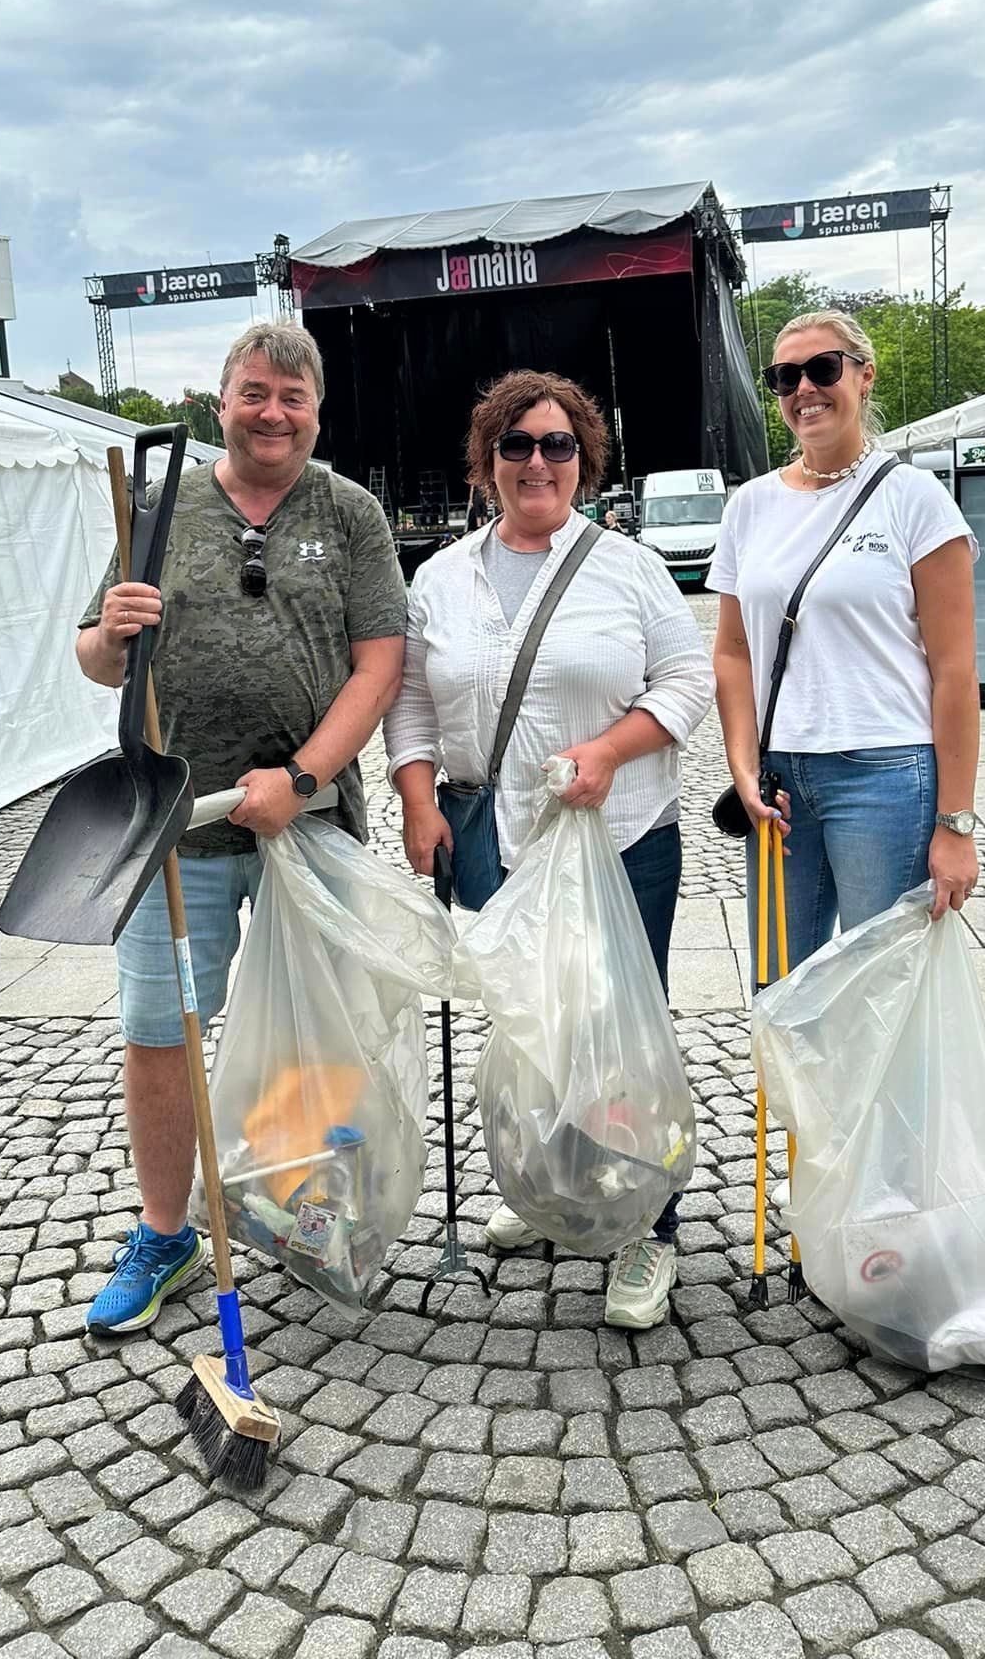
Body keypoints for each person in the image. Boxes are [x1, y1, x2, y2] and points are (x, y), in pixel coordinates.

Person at [76, 321, 406, 1335]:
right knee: (161, 1029)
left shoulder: (350, 513)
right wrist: (110, 632)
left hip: (307, 820)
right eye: (254, 392)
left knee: (320, 1022)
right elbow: (94, 660)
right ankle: (167, 1231)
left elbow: (379, 664)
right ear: (220, 400)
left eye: (292, 397)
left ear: (316, 411)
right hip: (175, 820)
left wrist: (304, 778)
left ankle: (307, 1201)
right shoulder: (156, 507)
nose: (272, 412)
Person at [384, 369, 713, 1329]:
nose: (538, 461)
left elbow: (688, 678)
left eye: (557, 444)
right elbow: (408, 701)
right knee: (534, 1023)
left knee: (620, 1031)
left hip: (619, 838)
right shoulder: (440, 578)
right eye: (517, 445)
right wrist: (415, 800)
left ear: (584, 460)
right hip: (492, 838)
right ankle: (558, 1191)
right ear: (487, 462)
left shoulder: (628, 567)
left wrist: (611, 749)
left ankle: (647, 1226)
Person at [710, 310, 979, 978]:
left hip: (885, 774)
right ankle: (797, 1093)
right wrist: (744, 771)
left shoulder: (914, 500)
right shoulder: (750, 505)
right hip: (780, 782)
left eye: (823, 369)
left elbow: (955, 670)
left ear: (863, 376)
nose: (804, 388)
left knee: (877, 989)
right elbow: (734, 652)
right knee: (778, 986)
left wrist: (957, 824)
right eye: (785, 377)